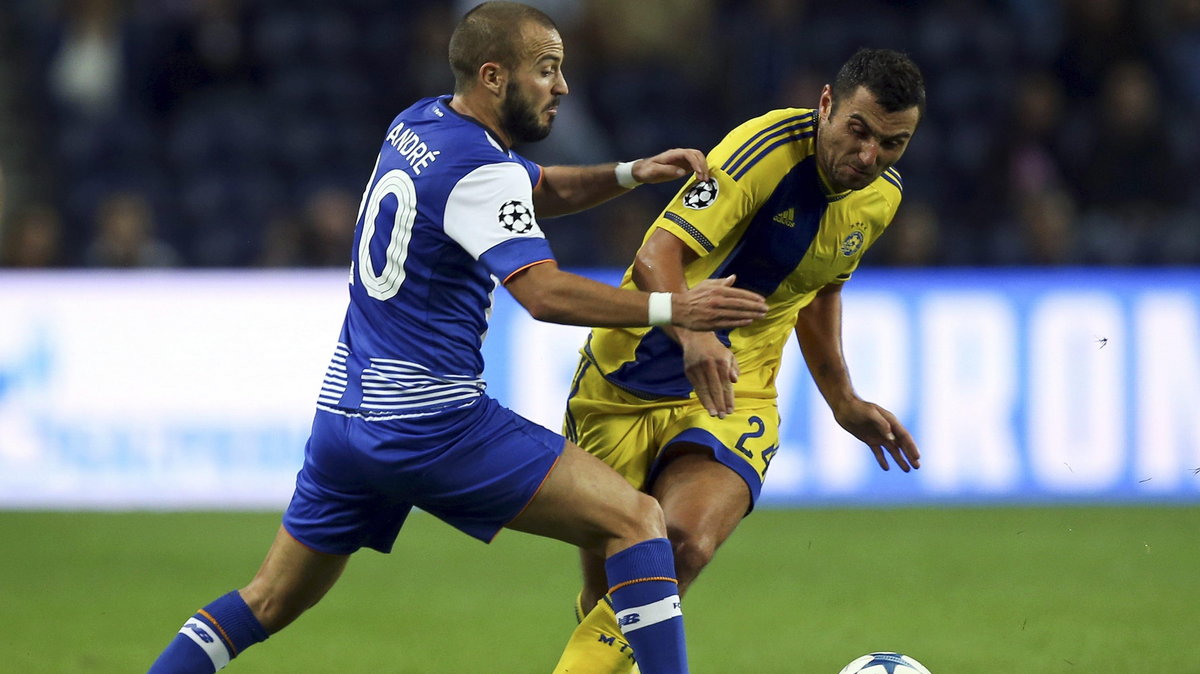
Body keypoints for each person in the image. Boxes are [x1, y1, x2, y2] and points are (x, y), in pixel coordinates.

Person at [146, 3, 768, 673]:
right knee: (638, 521)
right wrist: (675, 307)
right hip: (430, 423)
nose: (561, 86)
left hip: (345, 419)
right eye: (547, 70)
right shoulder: (482, 172)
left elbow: (533, 189)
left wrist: (628, 174)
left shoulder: (417, 122)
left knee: (266, 600)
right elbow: (544, 293)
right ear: (495, 76)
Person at [552, 47, 926, 673]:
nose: (869, 158)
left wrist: (843, 400)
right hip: (624, 383)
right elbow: (655, 256)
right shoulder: (765, 148)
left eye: (892, 144)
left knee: (679, 545)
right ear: (827, 106)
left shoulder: (880, 199)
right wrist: (693, 331)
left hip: (737, 386)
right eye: (858, 132)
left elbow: (818, 287)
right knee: (609, 596)